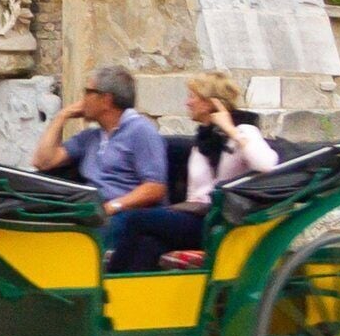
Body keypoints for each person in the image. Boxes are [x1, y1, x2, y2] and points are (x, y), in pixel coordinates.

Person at [95, 73, 279, 271]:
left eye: (192, 96)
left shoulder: (244, 131)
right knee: (148, 244)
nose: (187, 103)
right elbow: (194, 195)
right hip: (195, 216)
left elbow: (266, 164)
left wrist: (229, 129)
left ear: (209, 103)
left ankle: (107, 281)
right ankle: (123, 287)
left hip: (222, 221)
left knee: (134, 219)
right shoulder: (203, 141)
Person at [33, 64, 176, 267]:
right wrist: (61, 116)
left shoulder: (141, 131)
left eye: (87, 92)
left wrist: (113, 206)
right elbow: (43, 161)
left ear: (106, 99)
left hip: (125, 214)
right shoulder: (91, 136)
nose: (82, 100)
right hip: (91, 210)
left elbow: (155, 187)